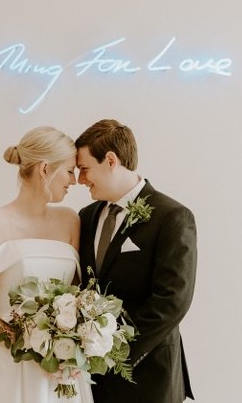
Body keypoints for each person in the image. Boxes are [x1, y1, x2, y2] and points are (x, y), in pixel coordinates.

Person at [0, 126, 93, 403]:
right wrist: (33, 350)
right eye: (70, 170)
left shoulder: (70, 220)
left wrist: (68, 349)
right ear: (44, 170)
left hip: (61, 369)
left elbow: (76, 297)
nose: (74, 180)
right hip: (7, 362)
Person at [75, 119, 197, 403]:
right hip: (92, 381)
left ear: (110, 160)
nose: (80, 180)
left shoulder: (172, 216)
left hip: (147, 375)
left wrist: (114, 352)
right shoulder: (87, 217)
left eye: (84, 169)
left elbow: (172, 300)